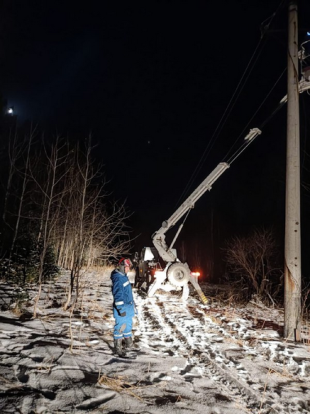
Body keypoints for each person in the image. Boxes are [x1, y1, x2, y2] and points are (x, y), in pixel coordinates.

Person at [111, 257, 138, 357]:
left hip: (128, 309)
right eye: (127, 267)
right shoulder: (118, 278)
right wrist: (121, 309)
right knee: (120, 328)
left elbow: (127, 294)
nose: (128, 269)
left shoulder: (123, 276)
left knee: (128, 326)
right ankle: (117, 349)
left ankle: (129, 345)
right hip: (122, 310)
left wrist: (133, 307)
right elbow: (118, 295)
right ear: (122, 266)